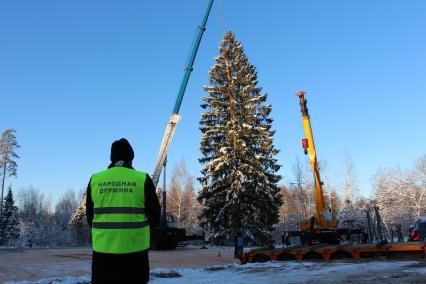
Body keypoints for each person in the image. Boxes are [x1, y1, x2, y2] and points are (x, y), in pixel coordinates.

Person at [86, 138, 161, 284]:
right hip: (135, 255)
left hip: (103, 255)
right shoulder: (142, 179)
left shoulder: (95, 179)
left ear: (112, 158)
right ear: (131, 158)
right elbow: (155, 217)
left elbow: (90, 218)